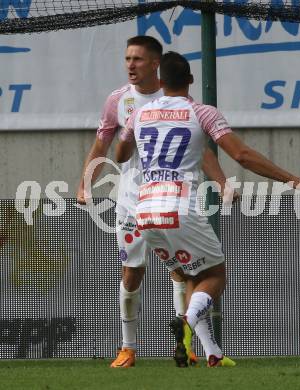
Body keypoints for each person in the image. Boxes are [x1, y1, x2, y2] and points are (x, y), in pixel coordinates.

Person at [117, 51, 300, 367]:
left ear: (161, 81)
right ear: (190, 80)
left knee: (189, 273)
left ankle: (213, 354)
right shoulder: (201, 112)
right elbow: (243, 155)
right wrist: (291, 179)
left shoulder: (141, 112)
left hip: (145, 210)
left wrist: (133, 134)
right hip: (180, 207)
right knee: (215, 276)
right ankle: (186, 323)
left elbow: (122, 152)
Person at [77, 36, 229, 368]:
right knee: (132, 271)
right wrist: (84, 181)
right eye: (127, 58)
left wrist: (219, 180)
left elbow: (198, 146)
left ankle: (184, 345)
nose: (131, 65)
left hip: (167, 195)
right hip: (132, 198)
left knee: (182, 271)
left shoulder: (176, 98)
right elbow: (103, 141)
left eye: (138, 59)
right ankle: (128, 347)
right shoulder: (118, 100)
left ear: (156, 65)